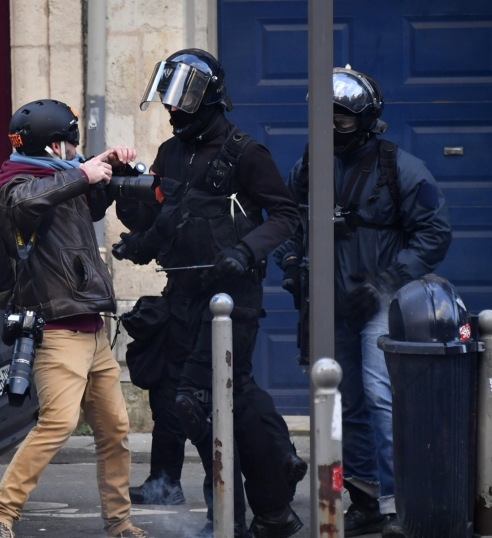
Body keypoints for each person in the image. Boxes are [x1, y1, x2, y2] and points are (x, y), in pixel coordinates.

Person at [115, 48, 305, 538]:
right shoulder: (172, 153)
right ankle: (271, 492)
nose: (173, 108)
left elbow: (286, 215)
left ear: (210, 96)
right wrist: (132, 235)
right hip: (182, 293)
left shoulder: (246, 152)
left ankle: (238, 512)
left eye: (183, 97)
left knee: (200, 400)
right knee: (206, 399)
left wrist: (246, 250)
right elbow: (163, 218)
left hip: (231, 300)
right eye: (169, 97)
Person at [274, 66, 452, 538]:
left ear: (367, 119)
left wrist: (385, 282)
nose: (333, 128)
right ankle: (365, 499)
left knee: (381, 399)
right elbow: (288, 219)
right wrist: (290, 263)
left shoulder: (401, 167)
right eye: (324, 118)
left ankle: (402, 503)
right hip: (329, 304)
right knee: (342, 403)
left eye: (344, 119)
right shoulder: (310, 166)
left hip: (381, 304)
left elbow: (435, 232)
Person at [0, 99, 151, 538]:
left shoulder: (58, 179)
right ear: (55, 147)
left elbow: (86, 205)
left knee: (115, 429)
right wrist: (82, 173)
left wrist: (106, 165)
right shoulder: (17, 186)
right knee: (57, 424)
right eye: (72, 143)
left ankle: (120, 524)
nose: (77, 149)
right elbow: (26, 204)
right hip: (56, 331)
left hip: (91, 328)